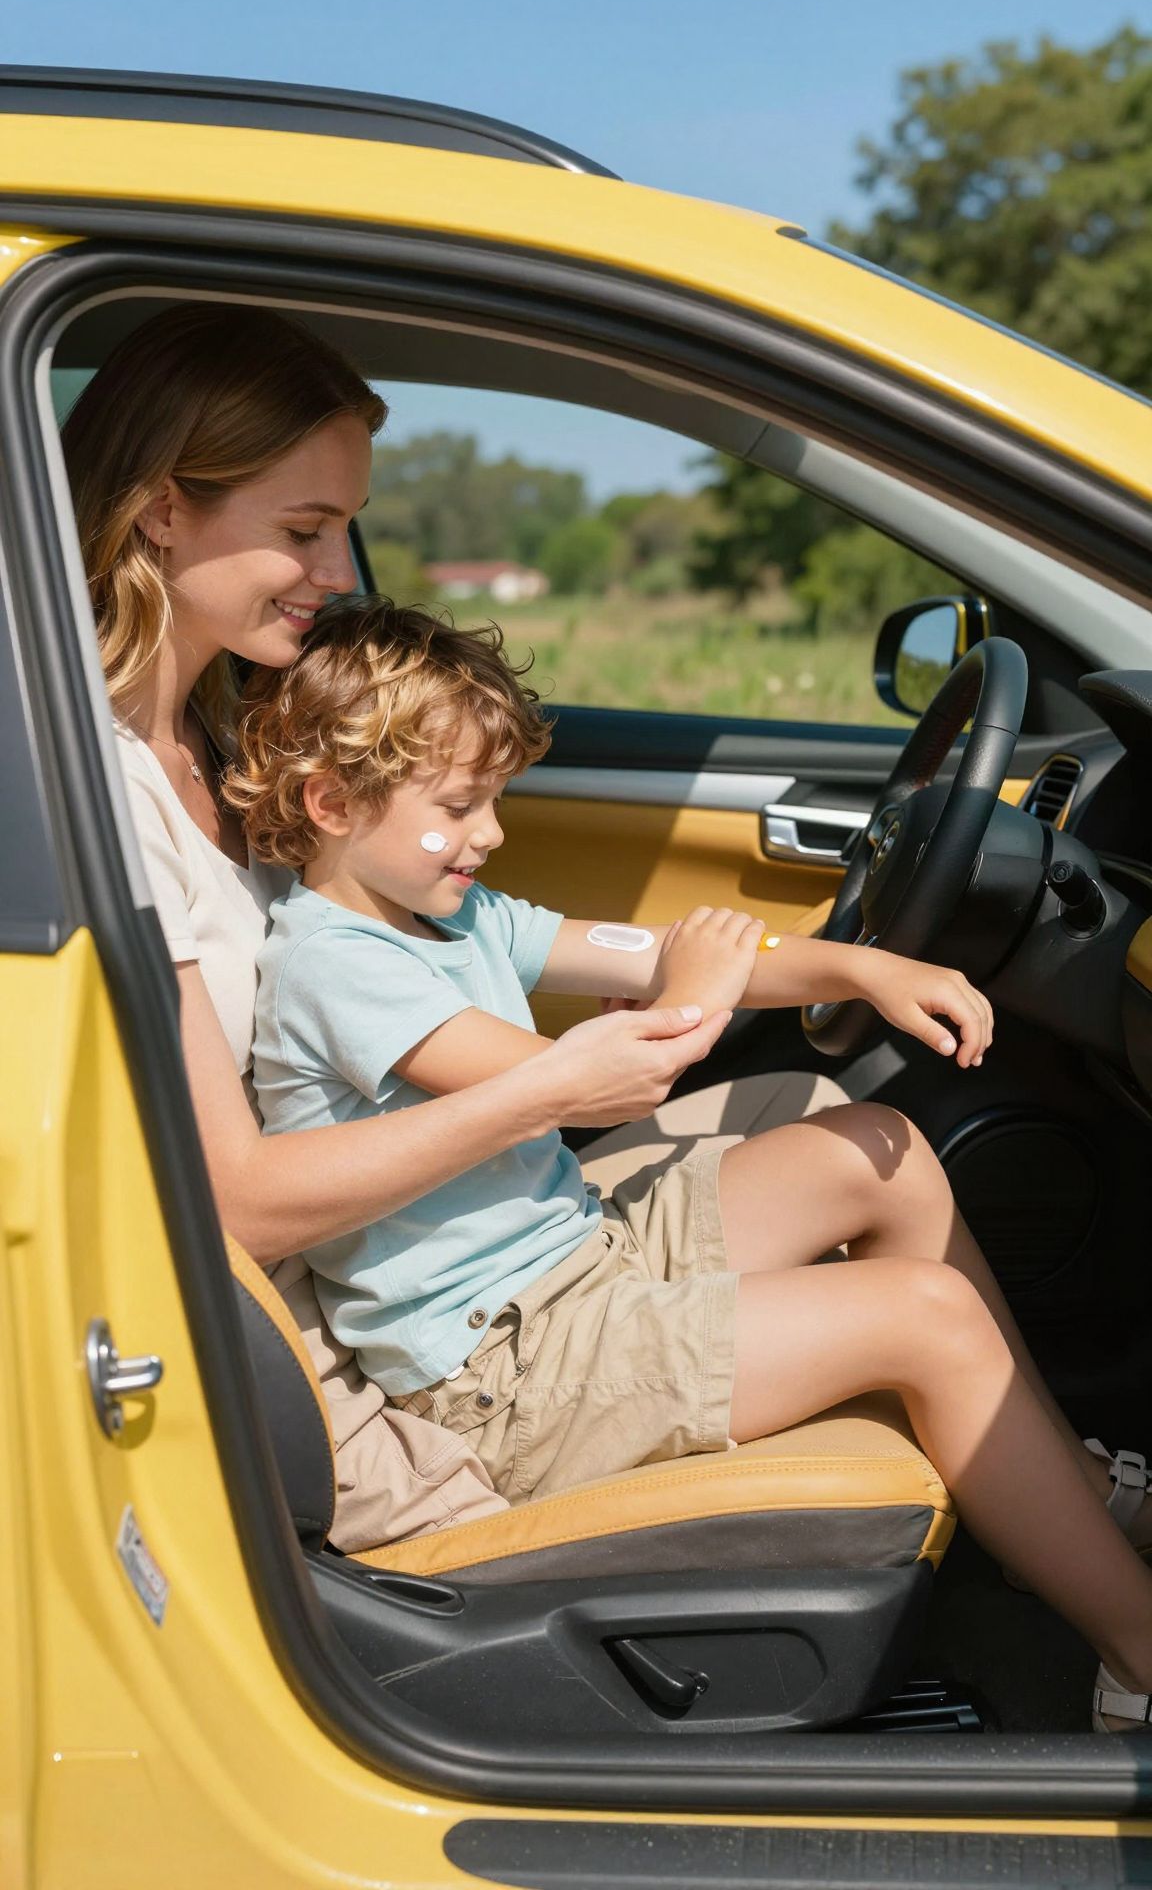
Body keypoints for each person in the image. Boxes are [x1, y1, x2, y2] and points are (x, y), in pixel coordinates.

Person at [230, 591, 1152, 1734]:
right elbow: (569, 1075)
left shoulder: (450, 917)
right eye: (459, 805)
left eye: (496, 800)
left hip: (579, 1263)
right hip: (505, 1376)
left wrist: (856, 971)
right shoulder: (335, 964)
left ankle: (1060, 1502)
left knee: (885, 1150)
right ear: (331, 801)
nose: (491, 832)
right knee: (927, 1317)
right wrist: (694, 995)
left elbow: (656, 945)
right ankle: (1138, 1655)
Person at [63, 298, 839, 1553]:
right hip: (365, 1350)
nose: (335, 572)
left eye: (347, 528)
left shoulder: (224, 735)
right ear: (160, 509)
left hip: (436, 1243)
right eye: (304, 529)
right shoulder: (101, 791)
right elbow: (243, 1206)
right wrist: (559, 1084)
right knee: (897, 1301)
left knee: (853, 1136)